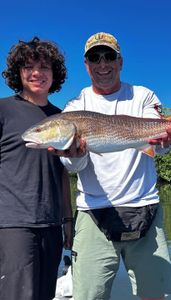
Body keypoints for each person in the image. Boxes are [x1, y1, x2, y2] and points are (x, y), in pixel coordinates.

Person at [53, 32, 171, 300]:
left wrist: (166, 140)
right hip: (93, 213)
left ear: (120, 62)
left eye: (109, 56)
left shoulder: (143, 95)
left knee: (153, 295)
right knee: (87, 296)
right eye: (94, 58)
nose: (103, 64)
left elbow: (157, 144)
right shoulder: (75, 106)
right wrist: (74, 154)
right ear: (86, 65)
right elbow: (72, 166)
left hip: (145, 206)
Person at [0, 37, 73, 300]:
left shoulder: (63, 117)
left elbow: (62, 173)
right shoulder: (3, 110)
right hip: (12, 225)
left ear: (55, 74)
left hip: (52, 223)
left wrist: (67, 221)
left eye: (44, 67)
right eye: (28, 67)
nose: (36, 74)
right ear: (17, 72)